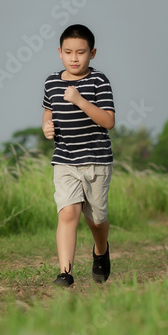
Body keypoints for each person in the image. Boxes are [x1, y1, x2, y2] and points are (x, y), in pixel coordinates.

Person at [41, 24, 115, 287]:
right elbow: (48, 111)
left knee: (95, 220)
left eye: (81, 52)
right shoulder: (51, 81)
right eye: (69, 52)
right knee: (68, 213)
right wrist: (46, 126)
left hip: (95, 161)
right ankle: (65, 272)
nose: (74, 58)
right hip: (64, 160)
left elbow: (108, 121)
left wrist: (80, 100)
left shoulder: (98, 81)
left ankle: (100, 250)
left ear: (92, 53)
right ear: (59, 52)